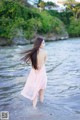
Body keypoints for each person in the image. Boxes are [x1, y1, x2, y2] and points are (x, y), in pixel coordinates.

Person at [20, 37, 48, 109]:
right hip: (41, 74)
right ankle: (41, 106)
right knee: (41, 93)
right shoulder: (44, 52)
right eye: (43, 43)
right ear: (40, 44)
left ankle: (34, 108)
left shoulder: (32, 53)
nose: (44, 44)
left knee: (35, 92)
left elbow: (31, 64)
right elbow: (43, 64)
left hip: (33, 74)